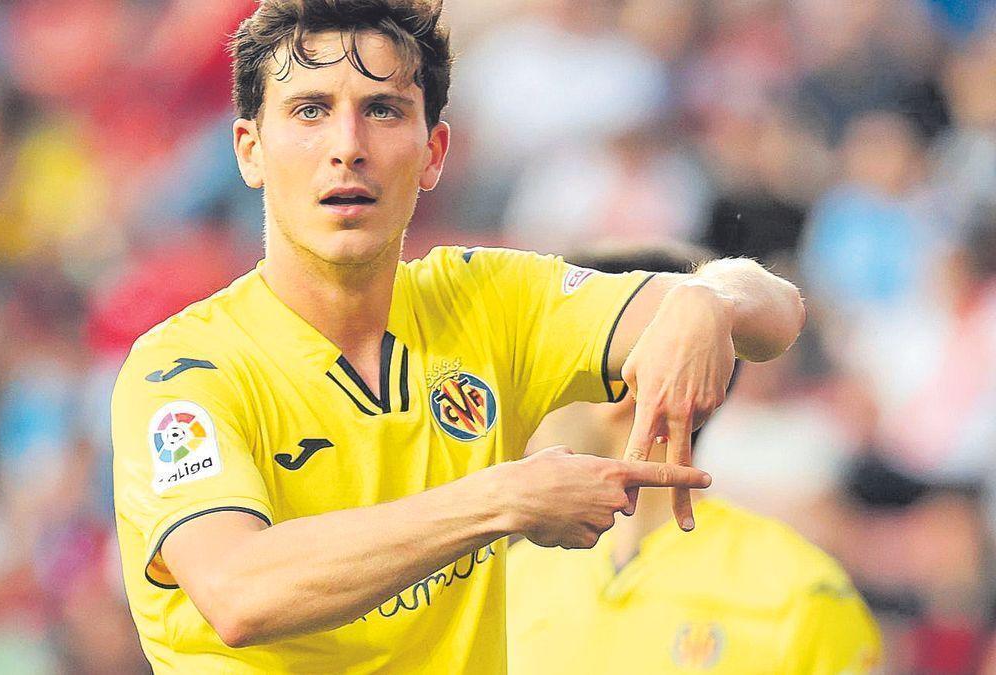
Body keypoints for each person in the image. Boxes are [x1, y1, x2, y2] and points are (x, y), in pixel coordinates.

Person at [110, 1, 805, 672]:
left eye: (383, 110)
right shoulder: (183, 370)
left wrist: (707, 299)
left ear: (433, 152)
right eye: (310, 111)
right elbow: (240, 592)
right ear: (250, 151)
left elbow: (777, 314)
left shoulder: (488, 299)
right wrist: (503, 499)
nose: (347, 148)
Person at [507, 245, 880, 674]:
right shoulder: (510, 579)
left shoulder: (799, 596)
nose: (522, 400)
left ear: (628, 385)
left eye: (545, 371)